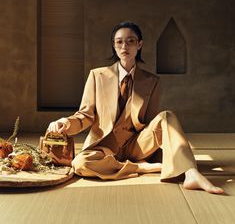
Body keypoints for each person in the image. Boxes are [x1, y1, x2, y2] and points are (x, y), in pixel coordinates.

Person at [48, 21, 224, 194]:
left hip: (137, 145)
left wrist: (163, 149)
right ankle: (141, 168)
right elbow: (85, 115)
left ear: (139, 44)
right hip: (104, 147)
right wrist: (66, 122)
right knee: (80, 164)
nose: (124, 46)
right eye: (119, 41)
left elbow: (150, 123)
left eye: (131, 41)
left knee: (167, 116)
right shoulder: (97, 76)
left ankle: (191, 174)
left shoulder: (152, 81)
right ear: (114, 46)